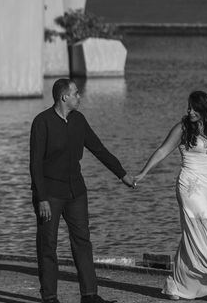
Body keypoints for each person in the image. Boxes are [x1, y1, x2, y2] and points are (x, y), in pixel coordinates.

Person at [133, 91, 207, 302]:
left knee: (193, 236)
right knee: (206, 235)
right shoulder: (183, 128)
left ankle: (179, 286)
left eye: (194, 108)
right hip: (190, 187)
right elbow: (162, 151)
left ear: (204, 109)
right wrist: (143, 173)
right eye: (189, 107)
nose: (190, 111)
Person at [30, 78, 135, 303]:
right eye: (76, 93)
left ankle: (89, 295)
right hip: (50, 194)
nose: (80, 97)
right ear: (64, 97)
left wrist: (122, 174)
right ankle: (49, 297)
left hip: (76, 192)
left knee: (83, 242)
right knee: (47, 244)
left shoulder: (78, 120)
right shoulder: (42, 122)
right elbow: (35, 164)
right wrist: (42, 198)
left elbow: (98, 149)